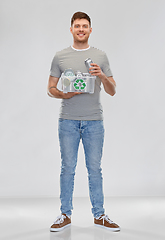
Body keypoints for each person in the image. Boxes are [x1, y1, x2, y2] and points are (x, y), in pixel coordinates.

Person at [47, 11, 120, 232]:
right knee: (67, 168)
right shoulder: (60, 56)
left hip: (94, 122)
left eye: (84, 26)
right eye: (77, 26)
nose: (81, 29)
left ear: (90, 29)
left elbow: (113, 91)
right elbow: (50, 89)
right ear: (71, 29)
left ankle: (100, 215)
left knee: (94, 169)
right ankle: (64, 215)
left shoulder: (100, 56)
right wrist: (63, 94)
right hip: (67, 120)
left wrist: (102, 76)